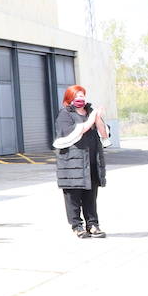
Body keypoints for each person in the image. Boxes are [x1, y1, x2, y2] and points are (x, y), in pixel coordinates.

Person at [53, 85, 110, 238]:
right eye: (77, 95)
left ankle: (93, 224)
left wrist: (97, 117)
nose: (81, 98)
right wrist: (92, 118)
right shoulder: (65, 114)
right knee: (73, 195)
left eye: (82, 95)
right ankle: (77, 226)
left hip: (91, 160)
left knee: (91, 194)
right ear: (69, 98)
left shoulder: (90, 112)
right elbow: (77, 131)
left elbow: (104, 134)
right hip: (72, 162)